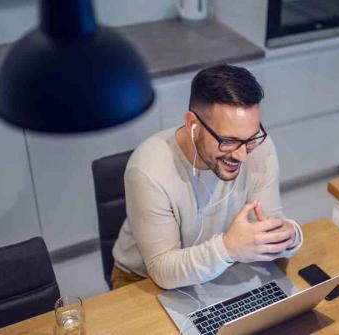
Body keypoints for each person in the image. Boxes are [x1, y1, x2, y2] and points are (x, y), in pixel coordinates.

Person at [111, 64, 303, 290]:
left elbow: (270, 222)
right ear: (193, 125)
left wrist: (289, 235)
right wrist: (228, 248)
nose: (242, 155)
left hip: (224, 266)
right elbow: (162, 270)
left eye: (251, 138)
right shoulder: (148, 169)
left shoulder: (260, 148)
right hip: (145, 281)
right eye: (228, 141)